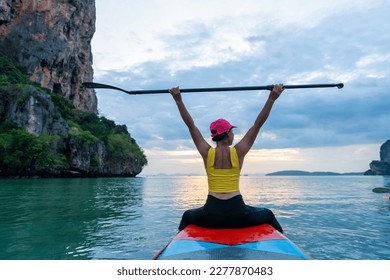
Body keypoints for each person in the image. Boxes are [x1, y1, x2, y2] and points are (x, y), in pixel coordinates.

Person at [169, 84, 285, 232]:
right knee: (268, 214)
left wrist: (178, 100)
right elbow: (257, 125)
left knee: (187, 216)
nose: (234, 135)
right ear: (228, 133)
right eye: (232, 131)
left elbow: (191, 125)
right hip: (238, 213)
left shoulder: (207, 152)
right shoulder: (238, 152)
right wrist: (272, 98)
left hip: (212, 213)